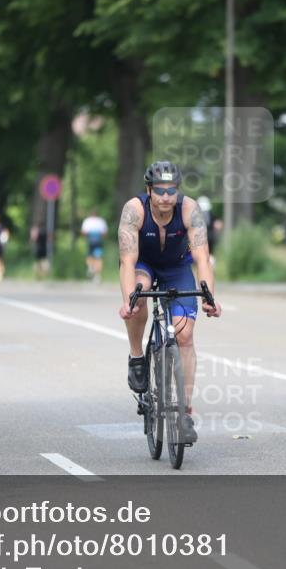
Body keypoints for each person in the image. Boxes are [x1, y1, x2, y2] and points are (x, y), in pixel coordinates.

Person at [118, 160, 222, 444]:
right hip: (143, 265)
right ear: (149, 189)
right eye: (160, 191)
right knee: (139, 295)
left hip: (177, 268)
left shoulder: (189, 210)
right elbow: (127, 260)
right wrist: (129, 300)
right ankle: (137, 356)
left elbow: (202, 257)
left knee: (185, 336)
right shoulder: (134, 210)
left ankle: (185, 411)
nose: (166, 197)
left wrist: (209, 298)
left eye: (171, 191)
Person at [81, 210, 109, 282]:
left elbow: (83, 232)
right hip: (98, 240)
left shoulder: (87, 221)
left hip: (91, 240)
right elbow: (105, 233)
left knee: (90, 256)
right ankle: (97, 275)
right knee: (98, 258)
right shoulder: (101, 221)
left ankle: (91, 268)